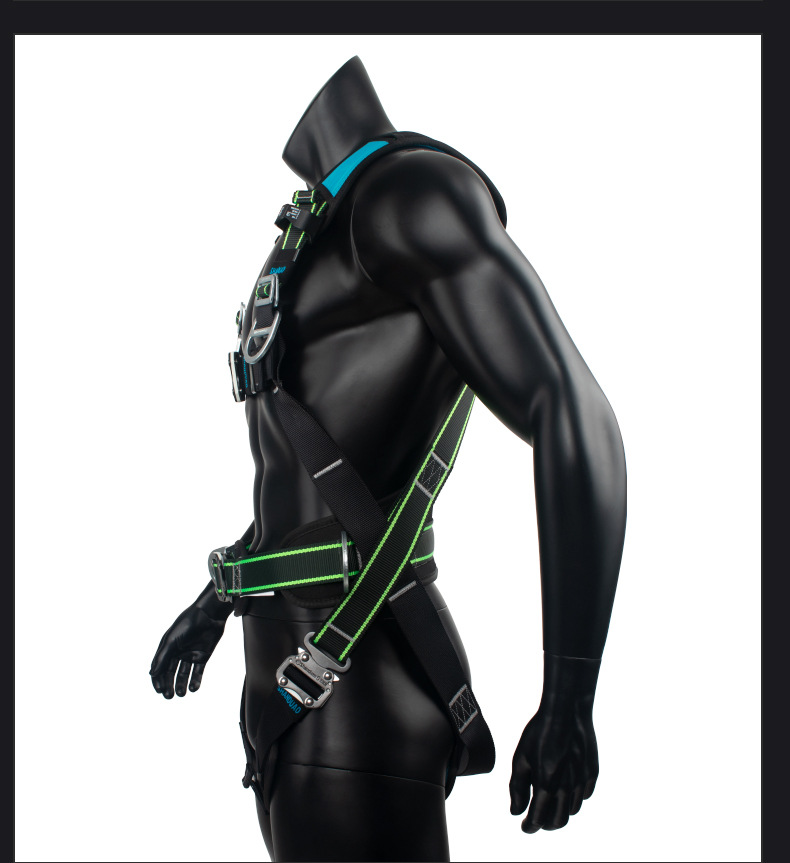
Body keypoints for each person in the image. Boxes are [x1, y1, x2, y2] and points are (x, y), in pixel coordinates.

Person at [150, 56, 627, 863]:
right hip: (296, 689)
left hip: (353, 683)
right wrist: (223, 595)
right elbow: (318, 479)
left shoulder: (414, 197)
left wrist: (570, 697)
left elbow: (575, 411)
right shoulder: (321, 225)